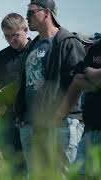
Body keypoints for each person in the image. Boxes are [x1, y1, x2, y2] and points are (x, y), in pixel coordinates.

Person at [14, 0, 86, 177]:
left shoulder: (68, 42)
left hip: (59, 124)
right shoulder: (33, 45)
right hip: (32, 125)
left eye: (31, 12)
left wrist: (58, 115)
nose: (27, 17)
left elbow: (77, 83)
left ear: (46, 13)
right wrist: (22, 116)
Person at [0, 12, 31, 178]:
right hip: (6, 121)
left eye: (15, 35)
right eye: (7, 36)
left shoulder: (37, 50)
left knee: (33, 167)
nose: (11, 40)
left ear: (26, 29)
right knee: (13, 169)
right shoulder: (0, 57)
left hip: (31, 120)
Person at [55, 40, 101, 178]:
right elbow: (77, 81)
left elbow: (95, 78)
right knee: (79, 175)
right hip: (90, 129)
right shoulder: (96, 48)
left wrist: (86, 70)